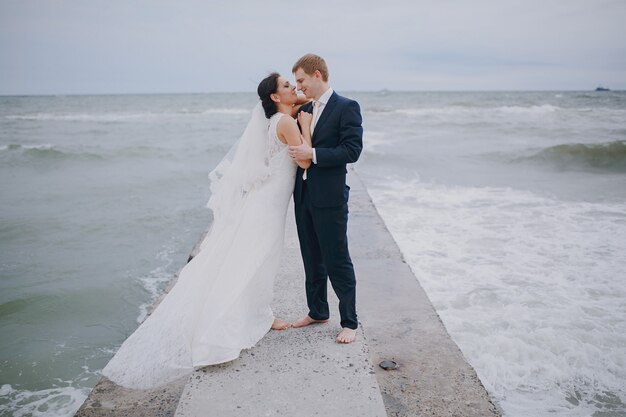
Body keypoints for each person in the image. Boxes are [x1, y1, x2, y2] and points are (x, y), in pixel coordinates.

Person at [101, 73, 312, 389]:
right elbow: (305, 162)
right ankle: (235, 325)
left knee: (256, 262)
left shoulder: (275, 122)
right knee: (257, 262)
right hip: (266, 208)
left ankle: (259, 314)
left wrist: (299, 110)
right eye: (286, 85)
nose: (292, 87)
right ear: (274, 97)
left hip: (264, 203)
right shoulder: (286, 124)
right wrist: (306, 126)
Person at [288, 54, 364, 344]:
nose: (299, 87)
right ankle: (318, 311)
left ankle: (349, 322)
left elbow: (352, 150)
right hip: (303, 194)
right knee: (311, 256)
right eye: (295, 82)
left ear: (317, 74)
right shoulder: (304, 107)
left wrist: (314, 155)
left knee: (337, 259)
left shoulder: (347, 107)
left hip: (330, 198)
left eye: (301, 80)